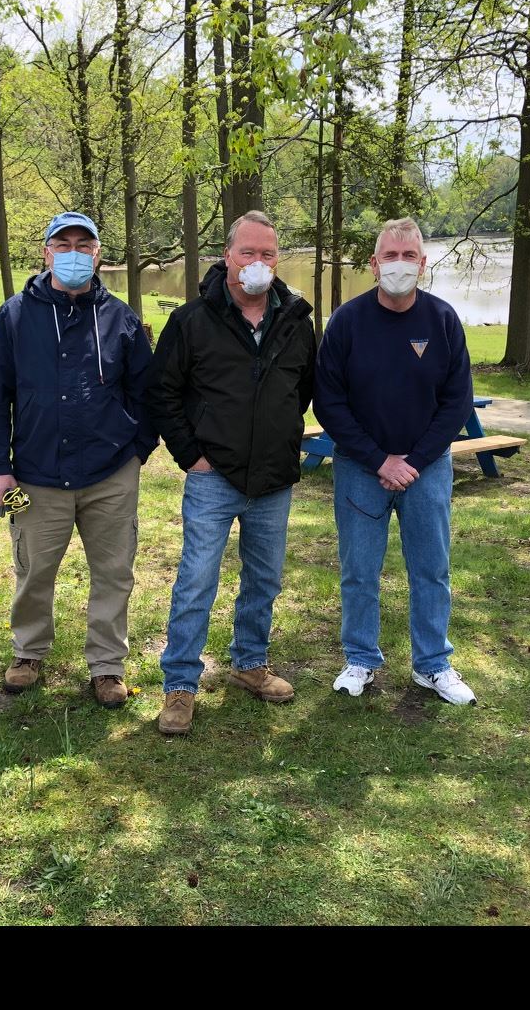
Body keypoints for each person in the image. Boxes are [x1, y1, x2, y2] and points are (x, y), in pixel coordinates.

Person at [0, 211, 158, 707]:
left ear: (98, 253)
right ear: (46, 251)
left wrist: (137, 451)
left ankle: (107, 664)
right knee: (34, 569)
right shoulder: (14, 316)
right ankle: (29, 651)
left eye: (84, 244)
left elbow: (146, 393)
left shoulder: (120, 317)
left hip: (110, 472)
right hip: (35, 475)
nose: (74, 252)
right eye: (64, 243)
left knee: (115, 571)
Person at [146, 210, 316, 735]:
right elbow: (163, 394)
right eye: (248, 253)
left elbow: (302, 390)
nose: (258, 263)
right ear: (228, 257)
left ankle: (250, 663)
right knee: (196, 580)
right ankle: (179, 684)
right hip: (211, 477)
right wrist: (191, 456)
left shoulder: (295, 321)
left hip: (273, 480)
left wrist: (280, 437)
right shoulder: (192, 321)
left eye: (268, 254)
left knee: (263, 579)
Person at [313, 216, 477, 705]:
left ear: (423, 264)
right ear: (374, 263)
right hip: (359, 468)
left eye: (409, 256)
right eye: (391, 255)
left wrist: (415, 460)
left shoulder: (443, 320)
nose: (400, 265)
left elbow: (456, 401)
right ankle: (360, 658)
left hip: (427, 469)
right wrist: (379, 459)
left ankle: (433, 665)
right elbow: (329, 402)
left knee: (431, 569)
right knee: (359, 569)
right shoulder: (347, 321)